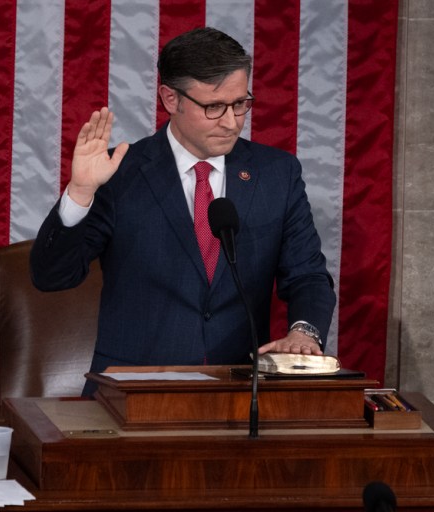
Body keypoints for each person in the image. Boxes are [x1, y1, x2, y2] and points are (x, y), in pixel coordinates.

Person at [30, 27, 336, 396]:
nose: (231, 121)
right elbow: (52, 276)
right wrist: (80, 191)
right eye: (214, 107)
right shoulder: (121, 173)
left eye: (240, 103)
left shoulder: (277, 174)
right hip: (131, 394)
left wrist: (303, 332)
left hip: (238, 393)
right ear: (170, 99)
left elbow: (307, 275)